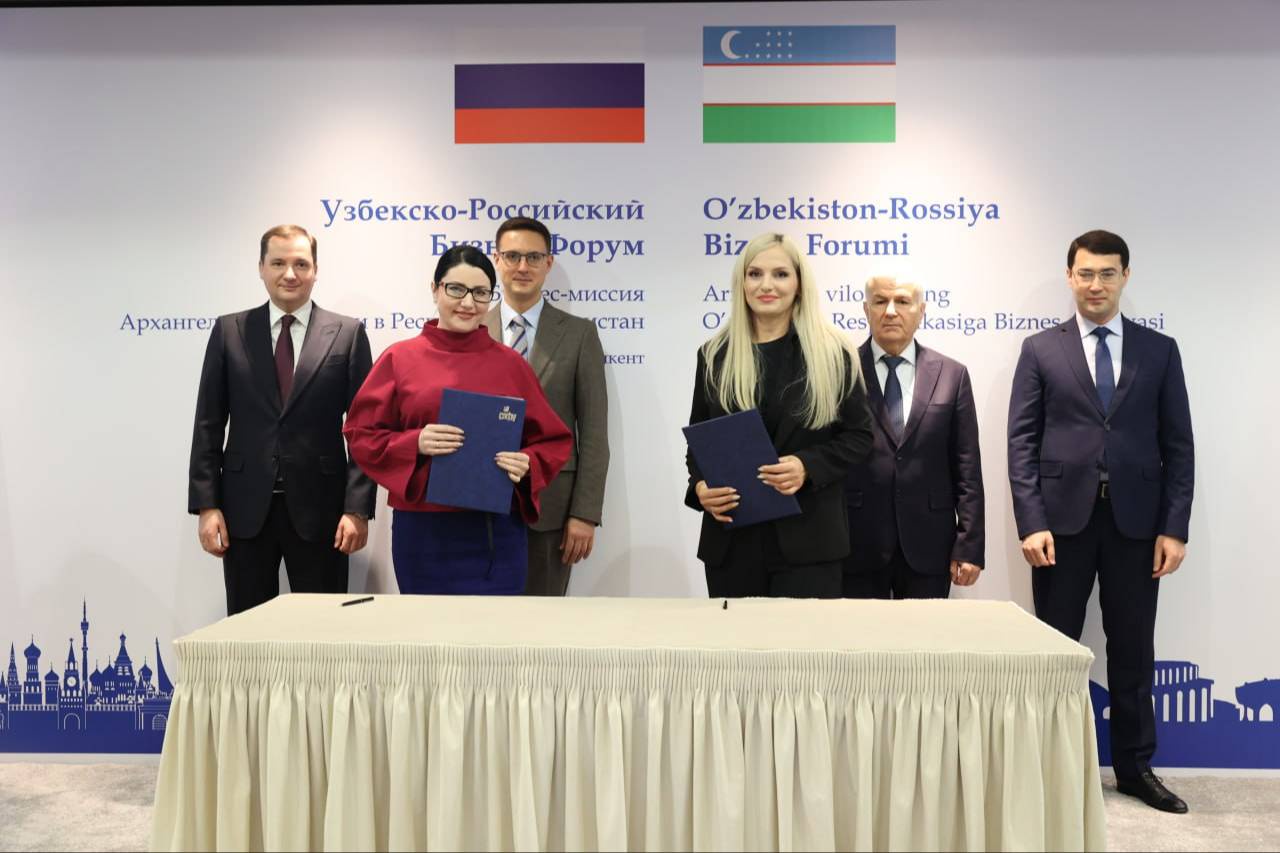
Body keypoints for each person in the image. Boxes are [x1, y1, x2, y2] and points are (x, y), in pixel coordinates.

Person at [1008, 229, 1194, 813]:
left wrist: (1175, 527)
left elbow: (1179, 445)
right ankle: (1053, 770)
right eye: (1085, 273)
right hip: (1060, 527)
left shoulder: (1159, 351)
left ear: (1125, 277)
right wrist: (1030, 520)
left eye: (1107, 273)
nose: (1096, 284)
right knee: (1056, 650)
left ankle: (1135, 769)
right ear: (1070, 276)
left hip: (1137, 527)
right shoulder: (1041, 349)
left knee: (1133, 649)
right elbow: (1021, 443)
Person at [343, 245, 572, 595]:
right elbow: (361, 434)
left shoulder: (511, 364)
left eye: (480, 293)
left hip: (496, 532)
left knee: (495, 628)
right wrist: (414, 442)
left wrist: (529, 462)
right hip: (424, 534)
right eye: (456, 289)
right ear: (435, 289)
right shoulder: (399, 359)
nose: (468, 303)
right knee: (427, 627)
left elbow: (553, 440)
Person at [188, 224, 376, 616]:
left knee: (323, 628)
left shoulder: (347, 334)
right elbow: (208, 423)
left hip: (323, 512)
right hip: (244, 511)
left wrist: (357, 509)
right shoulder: (229, 331)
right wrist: (207, 506)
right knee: (247, 631)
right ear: (261, 268)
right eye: (278, 263)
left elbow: (364, 430)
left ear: (315, 270)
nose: (289, 274)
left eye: (300, 264)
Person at [686, 232, 873, 598]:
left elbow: (860, 436)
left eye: (781, 274)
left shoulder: (834, 353)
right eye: (755, 274)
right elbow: (699, 445)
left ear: (799, 283)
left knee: (803, 640)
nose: (766, 285)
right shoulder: (714, 355)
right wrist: (700, 488)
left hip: (810, 546)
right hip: (732, 545)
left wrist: (807, 466)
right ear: (741, 283)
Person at [482, 217, 609, 596]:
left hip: (551, 506)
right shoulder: (471, 329)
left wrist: (584, 513)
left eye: (534, 257)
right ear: (496, 260)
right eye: (512, 256)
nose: (523, 266)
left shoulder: (579, 334)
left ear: (548, 263)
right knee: (478, 620)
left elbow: (594, 432)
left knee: (544, 619)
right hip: (477, 502)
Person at [843, 275, 984, 598]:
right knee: (858, 632)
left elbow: (967, 468)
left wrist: (970, 545)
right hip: (857, 542)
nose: (891, 311)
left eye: (903, 302)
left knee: (926, 633)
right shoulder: (841, 370)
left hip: (930, 542)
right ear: (866, 309)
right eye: (880, 301)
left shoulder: (952, 375)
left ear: (921, 311)